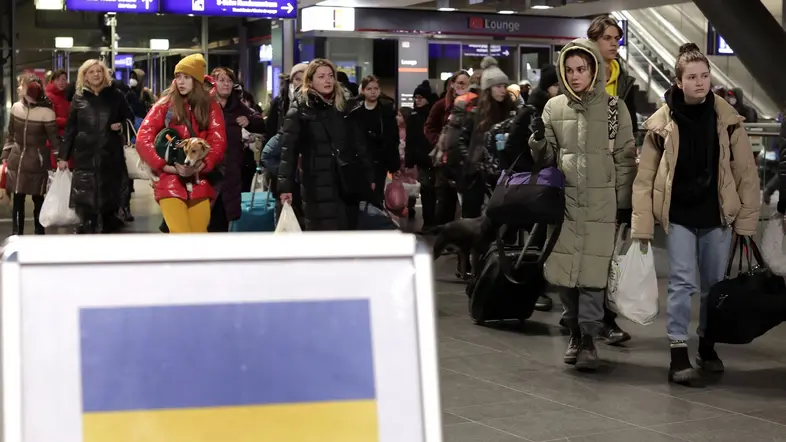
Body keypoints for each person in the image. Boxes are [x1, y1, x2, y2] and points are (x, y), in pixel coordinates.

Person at [631, 43, 760, 385]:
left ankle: (707, 345)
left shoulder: (728, 120)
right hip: (680, 217)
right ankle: (677, 353)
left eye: (705, 76)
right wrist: (642, 224)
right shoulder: (662, 123)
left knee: (714, 287)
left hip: (717, 216)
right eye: (692, 77)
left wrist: (746, 221)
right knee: (681, 283)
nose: (700, 82)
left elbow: (746, 173)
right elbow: (645, 179)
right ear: (679, 81)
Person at [529, 38, 637, 371]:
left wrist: (622, 206)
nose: (576, 76)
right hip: (564, 204)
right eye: (570, 70)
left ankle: (588, 338)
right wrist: (536, 140)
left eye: (582, 69)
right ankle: (574, 331)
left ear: (594, 70)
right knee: (565, 275)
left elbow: (625, 158)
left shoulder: (614, 108)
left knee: (592, 276)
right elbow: (547, 158)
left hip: (602, 205)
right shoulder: (554, 107)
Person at [135, 53, 227, 233]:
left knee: (199, 236)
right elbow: (142, 138)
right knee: (181, 235)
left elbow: (218, 142)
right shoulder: (165, 104)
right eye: (178, 77)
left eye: (187, 77)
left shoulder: (210, 106)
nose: (181, 82)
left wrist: (201, 165)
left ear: (197, 80)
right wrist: (165, 166)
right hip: (169, 182)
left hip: (200, 182)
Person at [278, 58, 373, 231]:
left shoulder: (345, 105)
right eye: (321, 76)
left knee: (347, 235)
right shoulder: (301, 106)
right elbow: (288, 150)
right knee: (323, 237)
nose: (328, 80)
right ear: (311, 81)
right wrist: (285, 187)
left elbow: (359, 143)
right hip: (316, 183)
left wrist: (369, 175)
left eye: (330, 75)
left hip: (345, 183)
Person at [59, 59, 134, 234]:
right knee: (85, 201)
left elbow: (130, 119)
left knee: (110, 199)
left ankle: (108, 233)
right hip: (85, 157)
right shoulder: (78, 98)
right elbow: (70, 129)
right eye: (91, 72)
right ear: (84, 76)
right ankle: (87, 233)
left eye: (99, 71)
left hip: (110, 155)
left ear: (104, 74)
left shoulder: (116, 96)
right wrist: (63, 157)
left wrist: (121, 126)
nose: (95, 75)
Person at [457, 56, 516, 219]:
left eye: (504, 86)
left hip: (502, 174)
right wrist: (472, 162)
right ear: (488, 89)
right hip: (476, 176)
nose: (503, 90)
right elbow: (462, 140)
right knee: (473, 220)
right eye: (498, 86)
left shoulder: (510, 112)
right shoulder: (475, 114)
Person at [208, 67, 265, 232]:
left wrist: (249, 121)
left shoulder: (237, 105)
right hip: (209, 168)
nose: (226, 84)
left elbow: (260, 122)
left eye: (229, 81)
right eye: (222, 80)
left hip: (231, 169)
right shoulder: (205, 104)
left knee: (226, 217)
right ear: (214, 83)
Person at [3, 78, 60, 235]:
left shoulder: (46, 113)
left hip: (37, 160)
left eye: (22, 86)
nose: (19, 88)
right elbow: (11, 134)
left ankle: (39, 232)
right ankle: (17, 234)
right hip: (17, 160)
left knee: (38, 198)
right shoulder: (16, 107)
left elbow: (54, 139)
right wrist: (5, 155)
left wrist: (60, 159)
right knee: (18, 198)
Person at [349, 75, 399, 206]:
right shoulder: (355, 112)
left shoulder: (386, 111)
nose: (373, 91)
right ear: (363, 90)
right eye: (369, 88)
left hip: (379, 160)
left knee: (377, 196)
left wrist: (394, 165)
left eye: (376, 88)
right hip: (360, 160)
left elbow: (393, 138)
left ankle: (375, 222)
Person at [588, 15, 639, 124]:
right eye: (607, 38)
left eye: (616, 39)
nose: (614, 43)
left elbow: (631, 125)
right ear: (593, 41)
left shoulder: (625, 81)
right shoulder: (580, 76)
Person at [405, 81, 435, 228]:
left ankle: (432, 222)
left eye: (420, 97)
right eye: (416, 97)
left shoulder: (432, 114)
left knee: (432, 191)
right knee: (426, 190)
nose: (417, 100)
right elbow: (410, 140)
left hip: (434, 157)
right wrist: (409, 162)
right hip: (422, 159)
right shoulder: (413, 116)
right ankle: (428, 222)